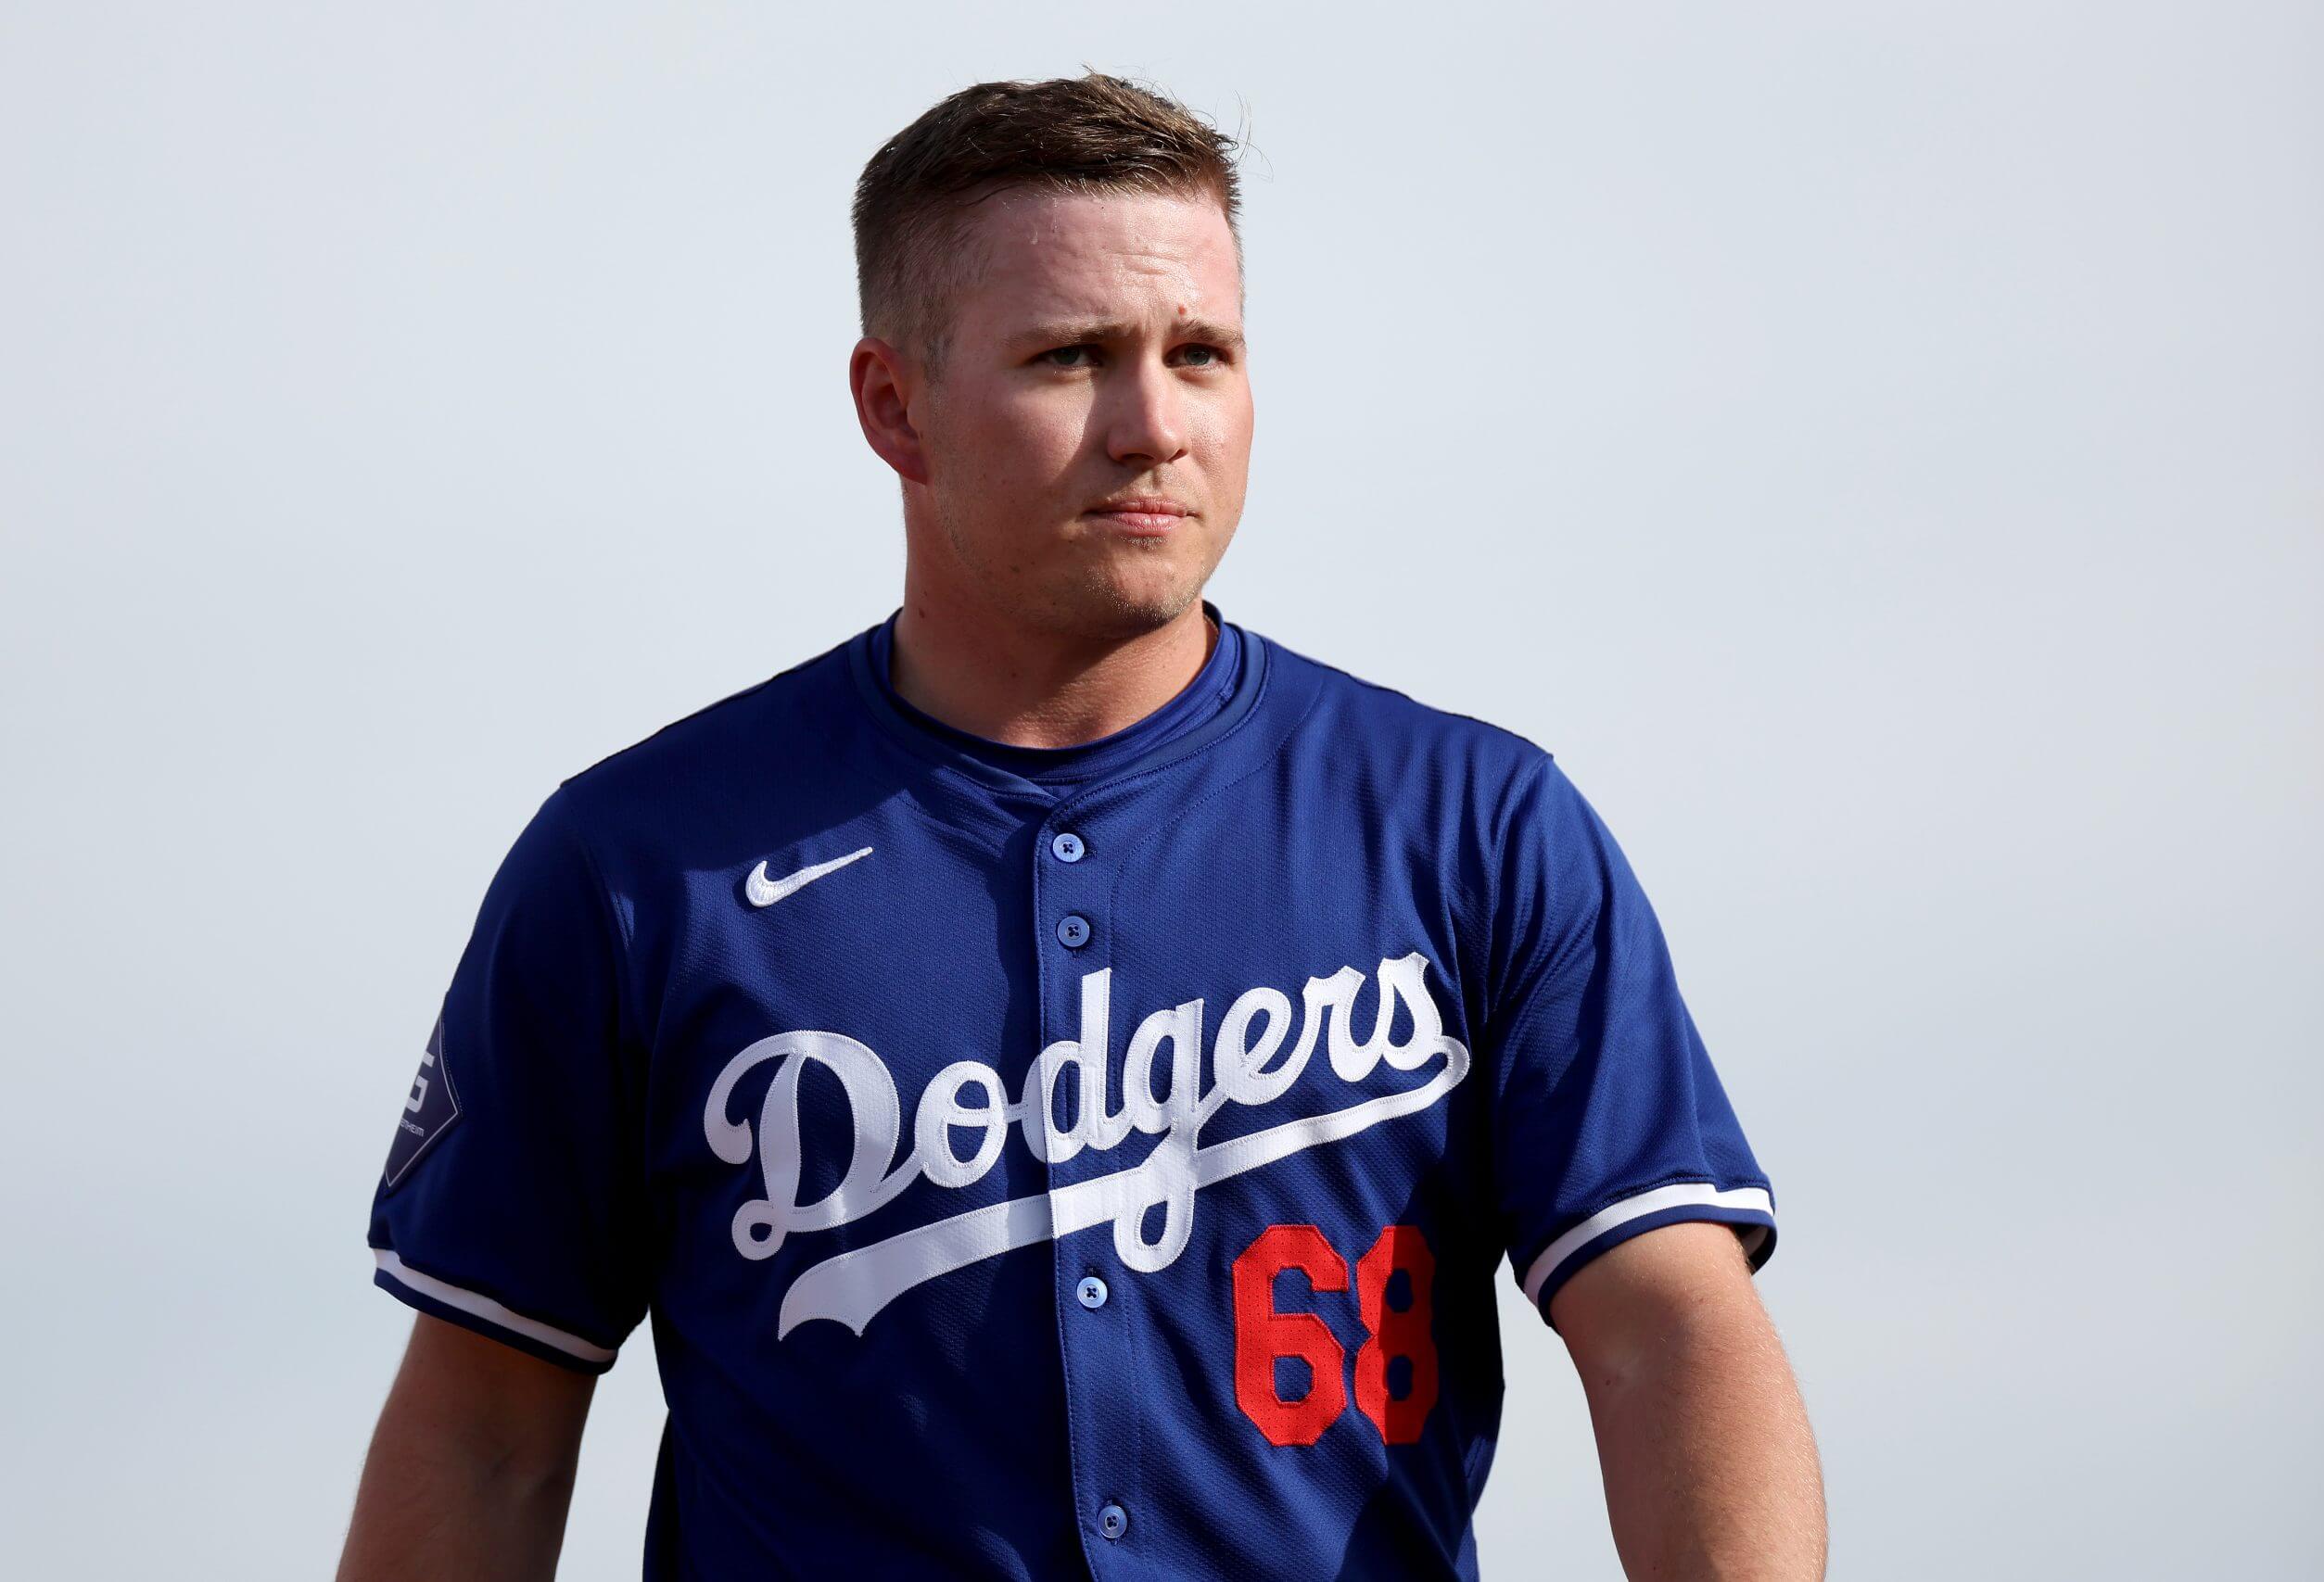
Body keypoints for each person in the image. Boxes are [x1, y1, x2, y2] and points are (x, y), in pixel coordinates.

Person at [336, 72, 1825, 1581]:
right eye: (1070, 359)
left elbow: (1666, 1331)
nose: (1154, 425)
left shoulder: (1476, 825)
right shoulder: (641, 868)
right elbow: (486, 1431)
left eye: (1203, 353)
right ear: (892, 405)